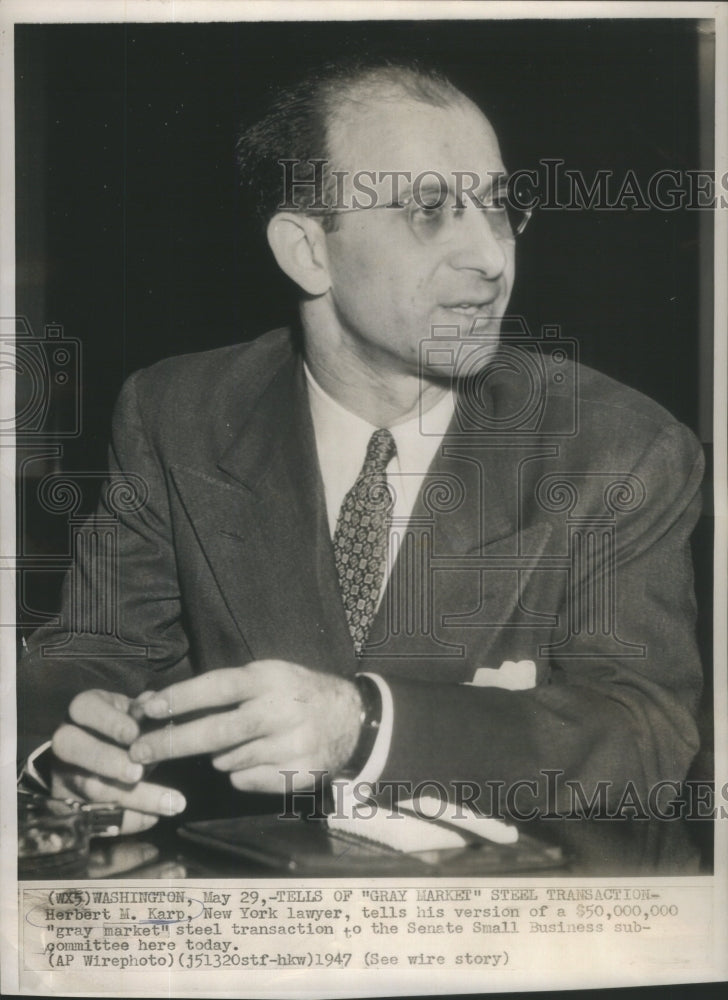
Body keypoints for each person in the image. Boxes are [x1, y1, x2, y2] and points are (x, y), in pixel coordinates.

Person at [18, 61, 704, 838]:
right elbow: (91, 650)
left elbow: (647, 733)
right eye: (430, 211)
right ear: (307, 251)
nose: (491, 256)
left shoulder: (618, 447)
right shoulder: (176, 413)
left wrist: (367, 727)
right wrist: (61, 754)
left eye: (499, 206)